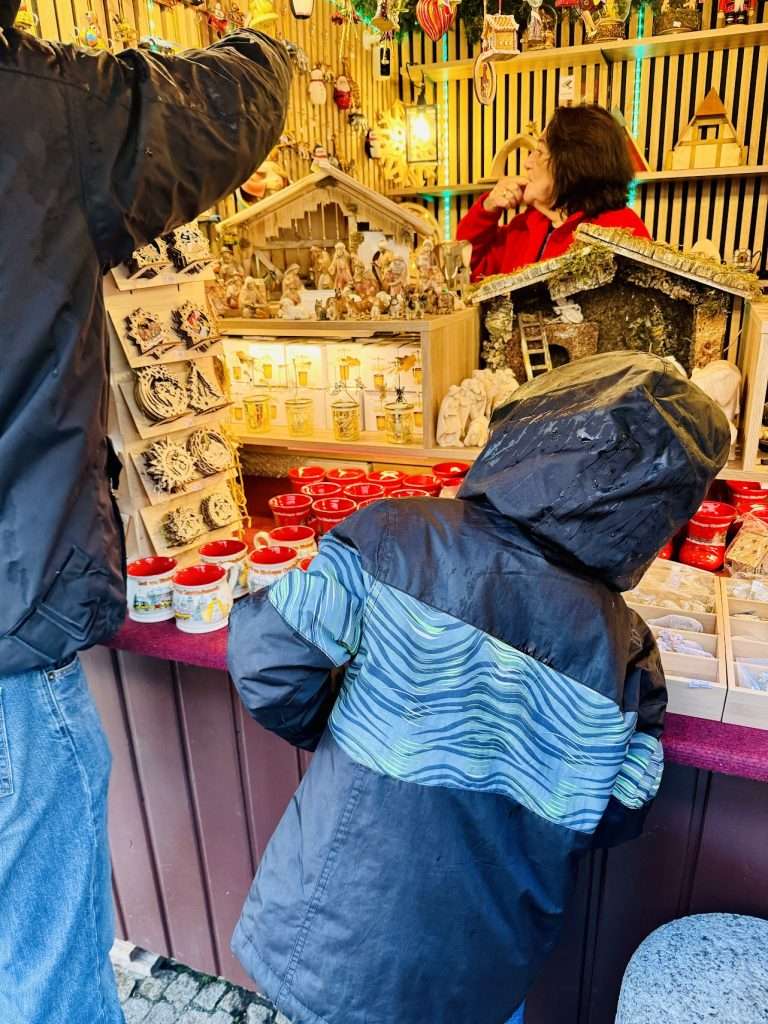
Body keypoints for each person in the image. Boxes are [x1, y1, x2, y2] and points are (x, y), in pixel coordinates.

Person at [228, 352, 730, 1024]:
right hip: (485, 966)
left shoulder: (393, 538)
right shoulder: (626, 653)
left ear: (537, 425)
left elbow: (269, 661)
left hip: (339, 927)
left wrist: (348, 731)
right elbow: (616, 809)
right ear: (662, 508)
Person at [0, 10, 291, 1024]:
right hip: (8, 664)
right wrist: (264, 38)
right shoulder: (45, 109)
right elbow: (238, 101)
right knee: (45, 990)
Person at [457, 105, 650, 281]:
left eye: (539, 152)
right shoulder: (522, 229)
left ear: (573, 163)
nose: (527, 163)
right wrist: (487, 208)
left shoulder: (621, 230)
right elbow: (466, 269)